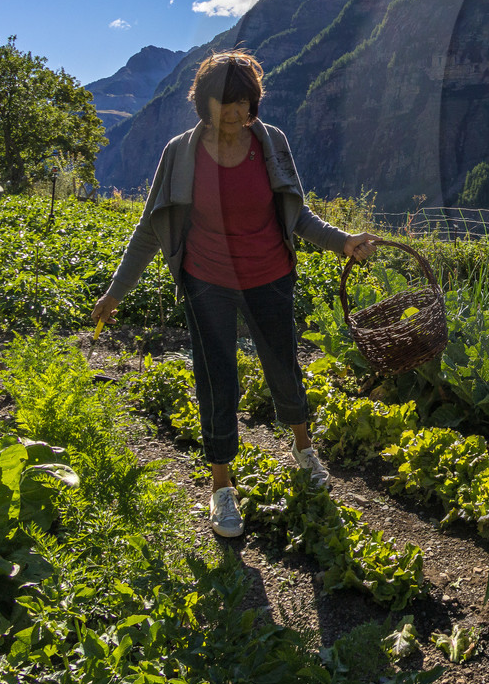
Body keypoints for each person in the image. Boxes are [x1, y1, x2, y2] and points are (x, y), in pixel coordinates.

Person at [91, 50, 376, 538]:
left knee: (283, 365)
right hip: (207, 281)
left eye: (244, 102)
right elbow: (149, 228)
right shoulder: (180, 152)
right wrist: (116, 292)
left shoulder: (270, 143)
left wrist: (342, 241)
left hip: (270, 274)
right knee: (216, 380)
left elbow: (298, 215)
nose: (236, 112)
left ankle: (303, 450)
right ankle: (222, 487)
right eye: (226, 102)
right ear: (204, 102)